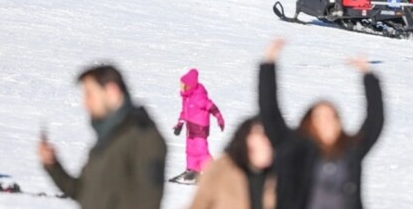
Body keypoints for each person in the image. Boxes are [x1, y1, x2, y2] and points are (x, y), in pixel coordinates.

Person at [258, 39, 384, 209]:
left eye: (331, 116)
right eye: (319, 117)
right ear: (308, 122)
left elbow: (374, 121)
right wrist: (268, 64)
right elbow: (269, 111)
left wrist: (368, 76)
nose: (326, 122)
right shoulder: (293, 148)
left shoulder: (351, 150)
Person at [37, 65, 167, 209]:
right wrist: (53, 165)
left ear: (112, 92)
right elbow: (82, 192)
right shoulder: (108, 138)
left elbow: (148, 202)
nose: (85, 102)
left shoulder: (143, 136)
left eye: (89, 94)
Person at [189, 116, 276, 209]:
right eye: (261, 135)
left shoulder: (281, 174)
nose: (266, 141)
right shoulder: (221, 170)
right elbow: (198, 205)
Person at [173, 68, 226, 183]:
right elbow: (184, 112)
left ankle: (212, 172)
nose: (181, 88)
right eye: (181, 85)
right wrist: (179, 124)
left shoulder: (199, 97)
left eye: (184, 86)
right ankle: (192, 170)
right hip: (190, 128)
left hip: (200, 129)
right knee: (190, 150)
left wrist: (219, 118)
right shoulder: (186, 98)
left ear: (190, 86)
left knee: (201, 151)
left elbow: (212, 107)